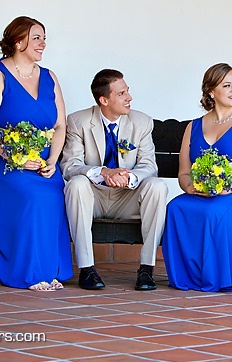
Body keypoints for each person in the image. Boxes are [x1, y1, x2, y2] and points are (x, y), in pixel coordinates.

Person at [0, 16, 73, 290]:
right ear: (17, 41)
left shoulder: (50, 77)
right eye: (36, 37)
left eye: (44, 38)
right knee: (31, 194)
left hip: (40, 160)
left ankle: (50, 270)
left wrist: (52, 160)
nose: (43, 44)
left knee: (53, 189)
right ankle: (28, 272)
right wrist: (13, 157)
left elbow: (60, 125)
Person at [161, 63, 232, 292]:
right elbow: (184, 171)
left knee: (215, 211)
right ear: (211, 91)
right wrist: (190, 188)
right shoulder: (194, 126)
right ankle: (189, 276)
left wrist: (227, 188)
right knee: (176, 207)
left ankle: (225, 275)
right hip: (204, 191)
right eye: (227, 85)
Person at [61, 69, 168, 291]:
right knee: (77, 184)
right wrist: (103, 172)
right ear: (104, 100)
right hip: (94, 197)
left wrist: (129, 176)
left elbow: (149, 165)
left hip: (127, 198)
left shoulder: (142, 122)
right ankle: (87, 269)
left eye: (127, 91)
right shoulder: (78, 121)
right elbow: (70, 166)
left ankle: (147, 269)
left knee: (157, 186)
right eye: (121, 93)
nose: (129, 98)